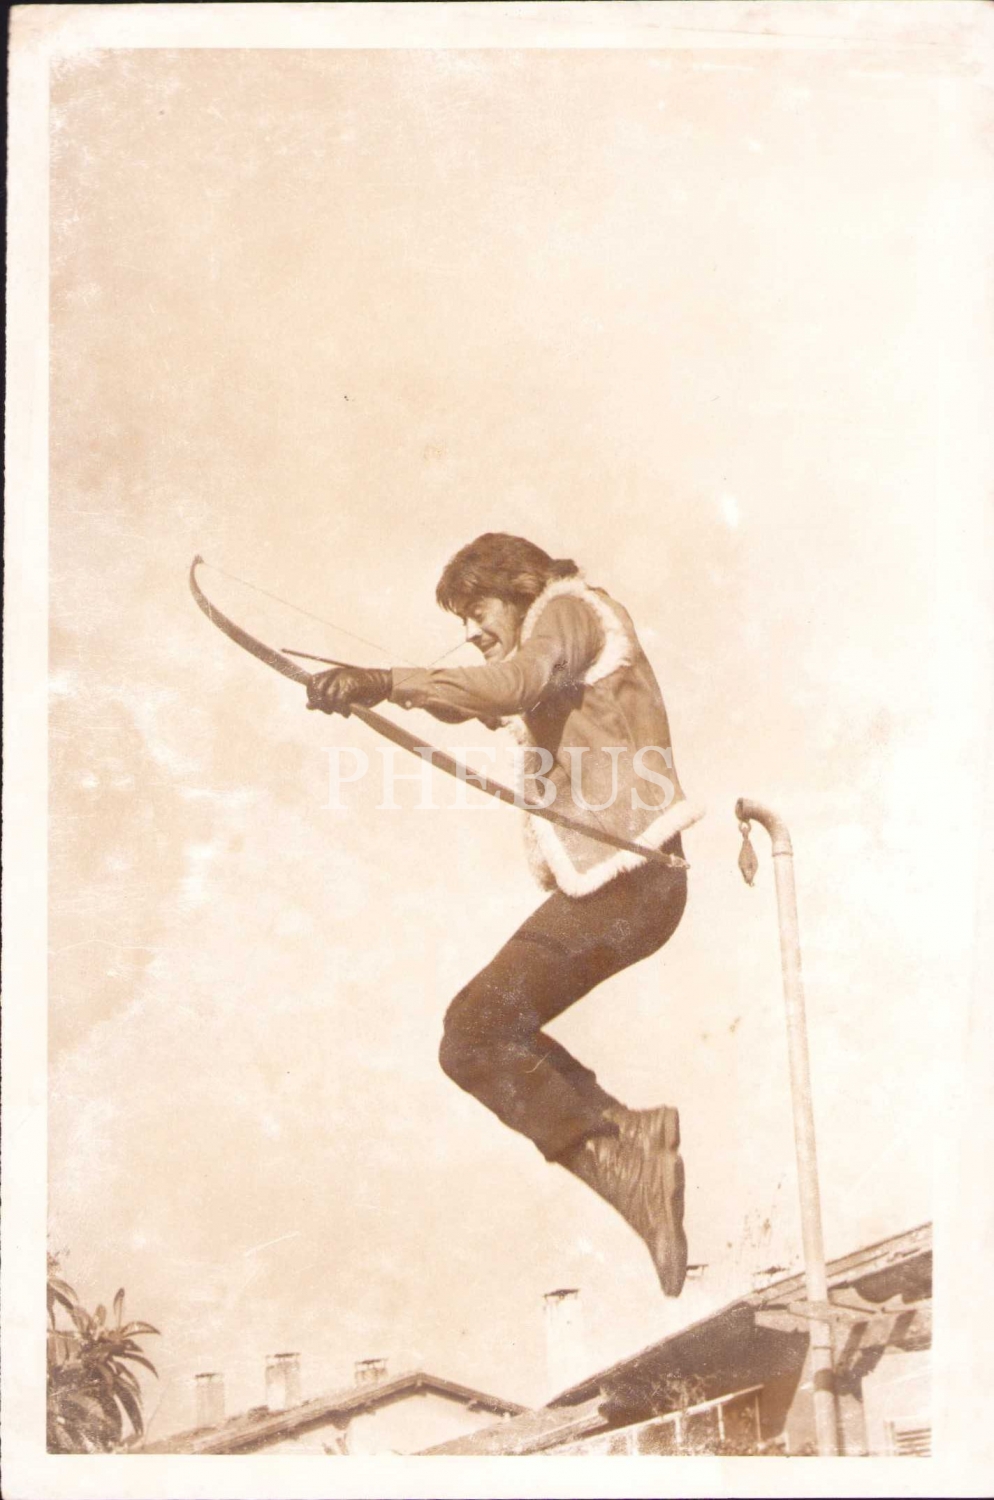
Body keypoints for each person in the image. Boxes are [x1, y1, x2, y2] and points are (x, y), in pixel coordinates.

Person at [306, 533, 704, 1295]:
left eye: (477, 610)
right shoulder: (558, 639)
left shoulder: (566, 610)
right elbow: (485, 697)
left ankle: (623, 1149)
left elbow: (508, 685)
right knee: (480, 1031)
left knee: (474, 1035)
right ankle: (627, 1136)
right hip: (628, 887)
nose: (470, 630)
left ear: (519, 589)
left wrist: (383, 681)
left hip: (633, 882)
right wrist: (374, 690)